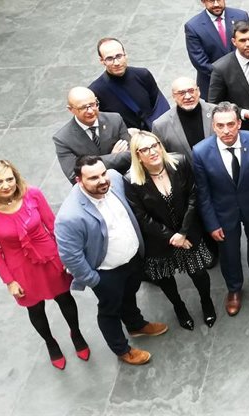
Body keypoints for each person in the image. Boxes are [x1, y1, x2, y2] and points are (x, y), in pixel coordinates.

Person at [0, 160, 86, 370]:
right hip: (20, 268)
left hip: (50, 257)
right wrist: (9, 281)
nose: (6, 185)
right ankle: (50, 343)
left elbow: (53, 226)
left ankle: (76, 334)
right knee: (35, 309)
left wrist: (65, 257)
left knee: (65, 298)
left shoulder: (32, 194)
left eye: (9, 179)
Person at [55, 156, 168, 366]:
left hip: (132, 259)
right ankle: (122, 349)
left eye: (103, 173)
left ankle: (135, 324)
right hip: (106, 273)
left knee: (129, 295)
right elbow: (71, 256)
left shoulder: (115, 178)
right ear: (79, 180)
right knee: (110, 311)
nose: (102, 180)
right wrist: (95, 280)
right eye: (93, 178)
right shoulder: (69, 216)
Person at [191, 103, 249, 317]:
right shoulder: (200, 152)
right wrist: (211, 223)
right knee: (228, 252)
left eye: (231, 124)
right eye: (220, 126)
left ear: (239, 123)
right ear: (213, 126)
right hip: (223, 211)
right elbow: (203, 193)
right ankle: (234, 288)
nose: (226, 130)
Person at [123, 132, 215, 330]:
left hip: (187, 233)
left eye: (154, 145)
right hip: (158, 241)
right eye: (145, 149)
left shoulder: (179, 162)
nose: (152, 151)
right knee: (165, 279)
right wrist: (171, 236)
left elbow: (193, 196)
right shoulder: (131, 180)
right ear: (138, 155)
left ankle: (206, 302)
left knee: (199, 274)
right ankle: (179, 307)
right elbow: (141, 217)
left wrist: (182, 232)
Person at [54, 86, 132, 184]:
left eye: (93, 104)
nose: (90, 111)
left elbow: (131, 154)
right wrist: (113, 156)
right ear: (71, 109)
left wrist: (88, 165)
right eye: (83, 108)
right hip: (94, 188)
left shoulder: (115, 120)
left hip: (124, 179)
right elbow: (74, 176)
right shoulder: (63, 139)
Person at [185, 0, 249, 95]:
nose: (216, 4)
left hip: (245, 79)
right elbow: (200, 62)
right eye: (211, 0)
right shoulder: (193, 27)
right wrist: (228, 76)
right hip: (213, 84)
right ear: (203, 1)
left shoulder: (241, 16)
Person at [90, 38, 170, 131]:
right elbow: (101, 125)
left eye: (119, 56)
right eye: (109, 59)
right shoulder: (95, 91)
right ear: (101, 61)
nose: (116, 63)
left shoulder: (143, 75)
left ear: (125, 55)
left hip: (155, 131)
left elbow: (159, 106)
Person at [152, 77, 215, 158]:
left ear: (198, 91)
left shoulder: (217, 112)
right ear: (173, 96)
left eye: (191, 91)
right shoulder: (161, 125)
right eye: (181, 93)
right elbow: (161, 157)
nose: (188, 96)